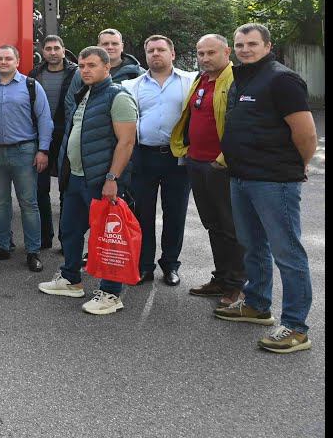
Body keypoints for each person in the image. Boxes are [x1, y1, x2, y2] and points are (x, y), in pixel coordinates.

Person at [213, 23, 318, 354]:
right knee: (252, 245)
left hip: (274, 181)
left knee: (287, 252)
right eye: (240, 44)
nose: (245, 49)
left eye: (252, 44)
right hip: (241, 177)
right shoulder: (242, 78)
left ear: (268, 46)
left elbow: (306, 134)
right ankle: (257, 305)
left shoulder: (282, 79)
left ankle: (296, 327)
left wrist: (297, 165)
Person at [37, 46, 138, 315]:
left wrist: (112, 178)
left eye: (92, 65)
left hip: (100, 179)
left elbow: (127, 142)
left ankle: (111, 294)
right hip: (76, 177)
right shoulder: (85, 93)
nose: (85, 70)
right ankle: (71, 279)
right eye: (82, 66)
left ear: (107, 67)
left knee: (107, 237)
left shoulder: (118, 96)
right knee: (70, 230)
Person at [170, 34, 246, 306]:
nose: (204, 58)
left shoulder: (237, 81)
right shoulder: (200, 80)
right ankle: (221, 278)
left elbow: (241, 125)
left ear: (227, 52)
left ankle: (237, 285)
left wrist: (222, 159)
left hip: (221, 165)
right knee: (213, 224)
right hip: (196, 162)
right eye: (201, 53)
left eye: (211, 53)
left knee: (231, 227)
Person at [121, 35, 197, 285]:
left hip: (177, 159)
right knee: (142, 214)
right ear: (145, 55)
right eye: (151, 50)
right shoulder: (131, 85)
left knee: (175, 213)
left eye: (161, 49)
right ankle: (144, 265)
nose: (155, 54)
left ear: (172, 54)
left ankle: (171, 264)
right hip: (143, 157)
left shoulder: (190, 81)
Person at [0, 45, 53, 272]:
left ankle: (33, 251)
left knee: (28, 203)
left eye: (8, 58)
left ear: (17, 61)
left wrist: (43, 150)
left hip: (24, 152)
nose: (3, 62)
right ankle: (2, 245)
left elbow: (44, 119)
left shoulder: (31, 86)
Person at [29, 35, 78, 252]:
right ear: (43, 51)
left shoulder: (76, 73)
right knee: (40, 189)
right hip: (41, 136)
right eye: (48, 48)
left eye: (56, 48)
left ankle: (66, 240)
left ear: (63, 50)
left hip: (66, 135)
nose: (52, 52)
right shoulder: (34, 75)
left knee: (66, 190)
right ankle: (44, 237)